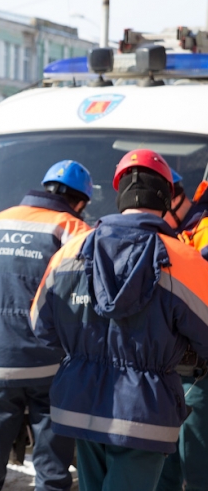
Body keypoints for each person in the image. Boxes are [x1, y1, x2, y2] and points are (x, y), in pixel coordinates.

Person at [31, 149, 208, 491]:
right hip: (145, 413)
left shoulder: (71, 249)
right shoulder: (182, 259)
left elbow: (41, 324)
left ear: (120, 194)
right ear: (167, 198)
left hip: (80, 403)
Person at [0, 160, 93, 491]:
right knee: (52, 471)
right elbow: (87, 296)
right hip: (48, 365)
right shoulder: (72, 228)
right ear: (80, 201)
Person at [157, 170, 208, 491]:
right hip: (172, 368)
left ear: (173, 198)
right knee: (166, 462)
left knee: (197, 463)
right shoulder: (176, 233)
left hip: (197, 370)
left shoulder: (201, 232)